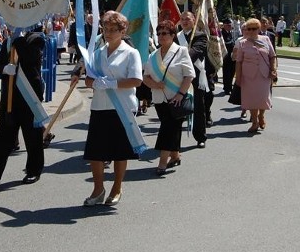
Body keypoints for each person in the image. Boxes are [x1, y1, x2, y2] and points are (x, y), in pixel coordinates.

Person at [81, 11, 143, 206]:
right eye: (105, 29)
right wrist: (93, 83)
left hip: (122, 107)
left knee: (119, 151)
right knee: (95, 151)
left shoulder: (131, 53)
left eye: (113, 30)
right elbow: (88, 79)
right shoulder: (97, 53)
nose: (108, 33)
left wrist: (112, 84)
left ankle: (117, 187)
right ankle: (98, 189)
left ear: (123, 31)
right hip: (100, 106)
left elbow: (136, 80)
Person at [0, 27, 47, 187]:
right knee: (2, 136)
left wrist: (17, 39)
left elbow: (30, 58)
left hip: (29, 96)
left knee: (32, 137)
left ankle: (34, 171)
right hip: (10, 97)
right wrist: (3, 69)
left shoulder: (36, 39)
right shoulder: (8, 42)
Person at [143, 19, 194, 175]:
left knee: (167, 128)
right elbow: (145, 77)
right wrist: (155, 85)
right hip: (160, 99)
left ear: (172, 35)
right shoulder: (153, 55)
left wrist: (180, 94)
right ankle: (175, 155)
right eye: (159, 33)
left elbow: (189, 75)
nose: (161, 36)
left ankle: (162, 162)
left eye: (164, 33)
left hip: (177, 98)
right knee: (172, 128)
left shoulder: (181, 51)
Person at [234, 18, 278, 133]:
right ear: (246, 30)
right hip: (248, 76)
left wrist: (273, 69)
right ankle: (254, 122)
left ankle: (261, 116)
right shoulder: (242, 43)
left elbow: (272, 56)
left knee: (263, 98)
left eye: (254, 29)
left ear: (259, 29)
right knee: (251, 99)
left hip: (264, 75)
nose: (251, 31)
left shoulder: (266, 39)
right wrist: (238, 77)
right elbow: (238, 62)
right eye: (249, 29)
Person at [176, 12, 210, 148]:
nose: (184, 21)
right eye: (182, 19)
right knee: (176, 107)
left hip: (195, 76)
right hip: (177, 76)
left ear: (193, 20)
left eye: (187, 19)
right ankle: (174, 142)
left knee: (198, 107)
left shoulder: (200, 36)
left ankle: (200, 137)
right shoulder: (176, 36)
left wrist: (179, 60)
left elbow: (195, 52)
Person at [221, 18, 236, 94]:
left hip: (232, 56)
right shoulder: (222, 33)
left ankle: (229, 86)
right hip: (226, 56)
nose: (230, 26)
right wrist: (232, 43)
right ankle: (227, 88)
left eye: (231, 25)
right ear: (225, 25)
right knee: (227, 73)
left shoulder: (230, 33)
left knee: (232, 72)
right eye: (229, 25)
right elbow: (225, 43)